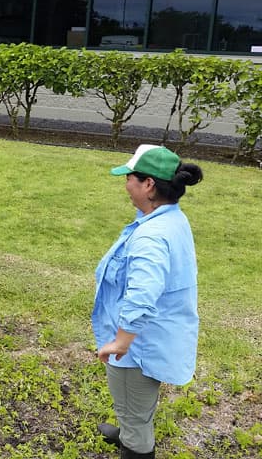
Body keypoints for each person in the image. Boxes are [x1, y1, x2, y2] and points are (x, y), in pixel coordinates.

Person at [92, 145, 203, 458]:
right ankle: (129, 429)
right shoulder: (169, 219)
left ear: (148, 184)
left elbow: (143, 294)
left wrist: (121, 342)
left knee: (134, 411)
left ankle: (134, 442)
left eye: (129, 177)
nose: (125, 184)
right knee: (136, 403)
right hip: (158, 333)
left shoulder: (151, 236)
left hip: (139, 347)